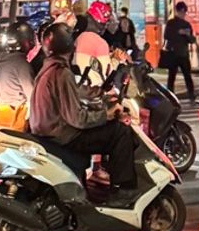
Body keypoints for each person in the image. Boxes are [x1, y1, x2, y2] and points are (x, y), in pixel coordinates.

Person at [28, 25, 138, 194]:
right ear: (70, 46)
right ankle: (124, 191)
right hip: (64, 136)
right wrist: (106, 115)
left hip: (49, 133)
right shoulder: (61, 73)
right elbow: (77, 119)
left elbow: (76, 91)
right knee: (120, 132)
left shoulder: (47, 70)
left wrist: (100, 93)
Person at [162, 0, 198, 98]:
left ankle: (191, 93)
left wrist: (187, 35)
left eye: (184, 12)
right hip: (174, 53)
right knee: (172, 76)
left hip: (183, 53)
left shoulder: (186, 24)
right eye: (182, 12)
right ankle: (170, 95)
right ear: (178, 11)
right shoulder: (171, 23)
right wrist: (178, 32)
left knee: (186, 75)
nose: (183, 14)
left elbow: (192, 40)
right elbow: (166, 36)